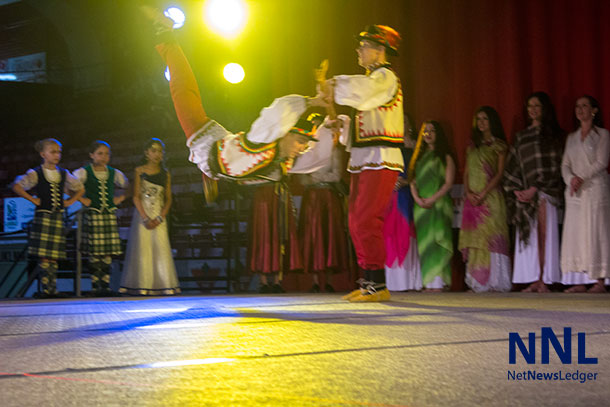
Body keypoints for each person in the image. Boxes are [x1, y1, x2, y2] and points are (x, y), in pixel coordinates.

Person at [140, 7, 336, 293]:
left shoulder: (284, 162)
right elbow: (281, 106)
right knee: (183, 89)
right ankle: (165, 34)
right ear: (287, 134)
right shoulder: (265, 136)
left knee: (227, 159)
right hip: (208, 142)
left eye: (305, 145)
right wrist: (311, 101)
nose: (302, 148)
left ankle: (211, 175)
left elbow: (318, 159)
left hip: (223, 163)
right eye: (300, 142)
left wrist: (331, 120)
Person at [323, 25, 405, 302]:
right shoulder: (371, 82)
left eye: (364, 46)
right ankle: (368, 280)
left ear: (380, 50)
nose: (359, 50)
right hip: (364, 158)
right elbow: (365, 122)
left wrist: (333, 85)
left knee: (368, 218)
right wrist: (341, 123)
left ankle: (378, 285)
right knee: (356, 219)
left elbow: (364, 93)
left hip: (380, 157)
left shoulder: (384, 77)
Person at [504, 91, 563, 293]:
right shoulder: (522, 137)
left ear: (544, 109)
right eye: (530, 106)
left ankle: (544, 278)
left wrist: (535, 188)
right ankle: (533, 278)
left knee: (545, 234)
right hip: (525, 196)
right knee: (531, 236)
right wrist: (518, 191)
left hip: (546, 191)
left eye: (537, 106)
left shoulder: (554, 135)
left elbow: (557, 167)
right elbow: (513, 167)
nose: (533, 110)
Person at [12, 138, 84, 298]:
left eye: (59, 151)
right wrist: (33, 200)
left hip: (57, 215)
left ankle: (52, 289)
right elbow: (17, 186)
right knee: (44, 253)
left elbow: (79, 188)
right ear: (43, 154)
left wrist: (70, 201)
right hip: (43, 215)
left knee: (54, 254)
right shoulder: (36, 172)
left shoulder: (63, 173)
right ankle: (45, 289)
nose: (57, 155)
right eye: (53, 151)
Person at [458, 107, 511, 292]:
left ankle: (496, 281)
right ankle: (477, 282)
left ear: (492, 122)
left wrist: (484, 193)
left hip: (491, 199)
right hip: (472, 200)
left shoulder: (499, 146)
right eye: (478, 119)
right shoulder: (472, 147)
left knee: (492, 238)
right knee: (476, 240)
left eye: (485, 119)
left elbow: (499, 173)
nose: (481, 122)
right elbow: (466, 173)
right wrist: (468, 193)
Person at [560, 95, 610, 293]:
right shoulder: (571, 138)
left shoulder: (603, 134)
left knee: (597, 231)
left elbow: (601, 162)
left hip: (595, 188)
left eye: (584, 106)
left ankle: (599, 280)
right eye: (577, 106)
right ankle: (579, 279)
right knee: (576, 234)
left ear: (594, 110)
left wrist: (580, 177)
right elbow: (565, 164)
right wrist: (570, 179)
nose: (580, 110)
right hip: (575, 191)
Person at [119, 138, 181, 295]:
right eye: (153, 150)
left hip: (159, 216)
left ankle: (163, 284)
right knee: (143, 248)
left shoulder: (165, 174)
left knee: (160, 248)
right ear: (146, 153)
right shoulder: (139, 171)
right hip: (142, 215)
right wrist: (145, 217)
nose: (157, 154)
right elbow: (136, 197)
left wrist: (160, 217)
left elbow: (168, 199)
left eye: (160, 151)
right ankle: (143, 285)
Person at [298, 114, 350, 293]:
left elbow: (337, 175)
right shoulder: (306, 152)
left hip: (328, 195)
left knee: (328, 234)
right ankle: (314, 280)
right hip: (312, 196)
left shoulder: (334, 151)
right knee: (312, 235)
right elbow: (301, 179)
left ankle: (327, 279)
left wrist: (319, 177)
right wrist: (309, 179)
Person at [74, 140, 128, 296]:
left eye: (107, 154)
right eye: (100, 153)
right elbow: (70, 186)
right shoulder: (84, 172)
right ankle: (95, 286)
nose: (104, 157)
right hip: (93, 214)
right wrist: (82, 200)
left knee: (107, 252)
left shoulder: (114, 172)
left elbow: (129, 186)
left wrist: (121, 198)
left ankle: (105, 285)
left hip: (108, 214)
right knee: (95, 252)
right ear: (92, 155)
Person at [409, 121, 455, 291]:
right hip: (421, 207)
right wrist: (418, 199)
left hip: (439, 204)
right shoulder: (419, 157)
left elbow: (448, 183)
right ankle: (429, 282)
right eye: (425, 131)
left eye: (432, 131)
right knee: (426, 243)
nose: (428, 134)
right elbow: (412, 182)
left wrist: (432, 199)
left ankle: (440, 282)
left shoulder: (445, 156)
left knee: (438, 240)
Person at [383, 117, 421, 291]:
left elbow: (422, 170)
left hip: (408, 193)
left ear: (410, 125)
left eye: (405, 121)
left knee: (407, 232)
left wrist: (407, 182)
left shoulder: (416, 145)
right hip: (390, 194)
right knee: (390, 234)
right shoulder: (389, 144)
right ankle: (393, 281)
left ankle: (409, 280)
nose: (401, 123)